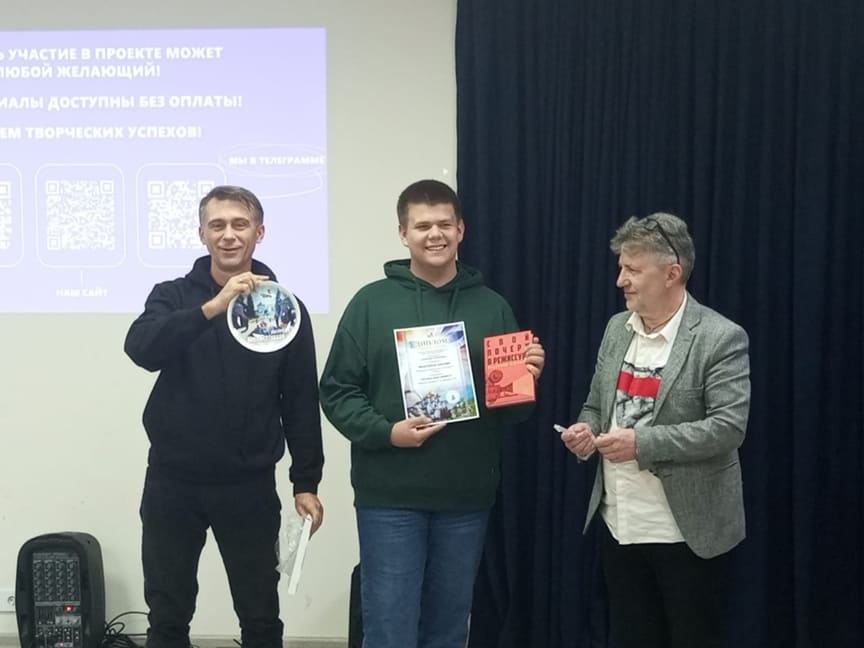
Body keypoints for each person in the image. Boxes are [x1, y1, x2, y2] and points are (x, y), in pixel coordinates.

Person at [319, 179, 545, 648]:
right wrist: (387, 432)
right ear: (403, 234)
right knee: (389, 629)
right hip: (389, 497)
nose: (435, 234)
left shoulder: (492, 307)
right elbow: (337, 391)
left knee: (448, 628)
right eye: (422, 226)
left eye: (444, 224)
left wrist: (525, 380)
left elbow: (513, 413)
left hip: (465, 497)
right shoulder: (370, 304)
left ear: (461, 229)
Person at [124, 185, 324, 648]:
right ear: (202, 234)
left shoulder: (285, 309)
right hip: (173, 481)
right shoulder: (172, 295)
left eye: (240, 224)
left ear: (259, 232)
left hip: (248, 484)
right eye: (217, 225)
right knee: (167, 616)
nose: (228, 235)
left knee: (260, 616)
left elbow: (299, 399)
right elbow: (141, 349)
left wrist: (306, 481)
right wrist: (213, 308)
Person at [559, 213, 750, 648]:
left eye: (632, 269)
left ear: (671, 273)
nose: (620, 280)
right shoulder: (616, 328)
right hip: (620, 523)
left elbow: (727, 428)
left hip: (687, 531)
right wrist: (586, 431)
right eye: (620, 267)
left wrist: (641, 443)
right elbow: (596, 406)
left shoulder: (720, 337)